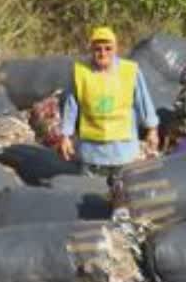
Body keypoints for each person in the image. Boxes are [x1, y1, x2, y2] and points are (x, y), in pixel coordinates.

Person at [57, 26, 159, 182]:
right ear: (91, 49)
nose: (103, 53)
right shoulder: (81, 72)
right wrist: (66, 136)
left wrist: (152, 130)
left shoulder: (129, 71)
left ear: (116, 49)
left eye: (108, 48)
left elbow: (143, 101)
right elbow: (71, 105)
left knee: (123, 197)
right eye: (98, 49)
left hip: (122, 151)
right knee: (92, 196)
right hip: (92, 152)